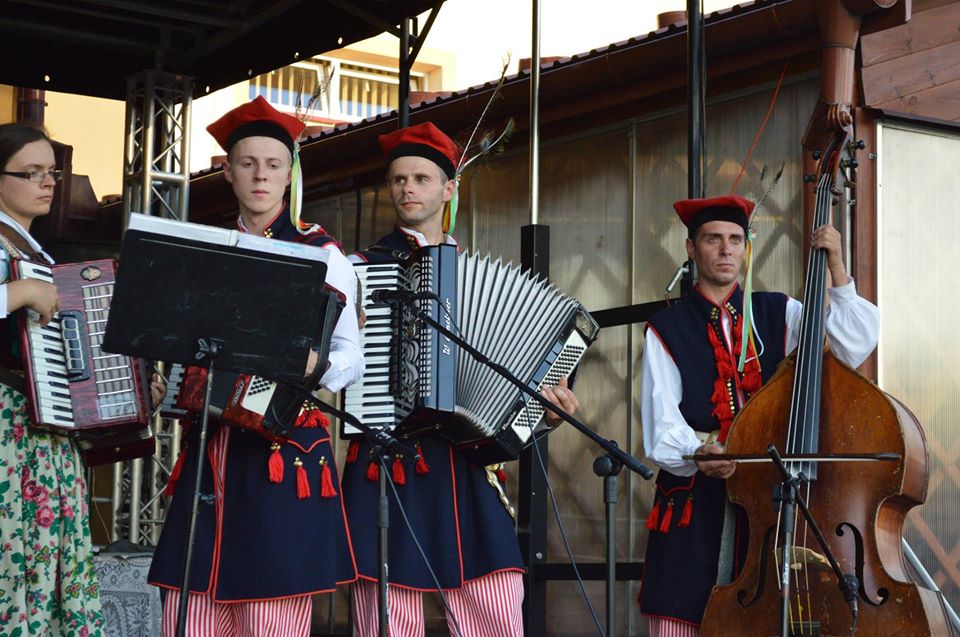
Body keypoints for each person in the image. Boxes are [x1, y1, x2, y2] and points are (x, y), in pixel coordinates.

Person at [342, 121, 580, 637]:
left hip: (467, 467)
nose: (408, 188)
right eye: (399, 179)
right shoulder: (361, 269)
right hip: (391, 461)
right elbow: (336, 371)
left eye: (422, 178)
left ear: (448, 189)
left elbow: (517, 402)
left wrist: (547, 411)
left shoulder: (482, 275)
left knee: (496, 605)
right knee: (389, 617)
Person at [147, 97, 365, 636]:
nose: (260, 175)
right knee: (189, 612)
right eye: (248, 163)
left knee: (270, 614)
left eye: (272, 164)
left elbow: (350, 355)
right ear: (228, 171)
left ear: (290, 172)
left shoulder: (323, 253)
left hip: (281, 450)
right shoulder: (206, 248)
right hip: (209, 451)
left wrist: (313, 366)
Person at [637, 194, 880, 636]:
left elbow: (851, 345)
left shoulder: (780, 311)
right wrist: (698, 450)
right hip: (696, 495)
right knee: (681, 616)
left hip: (768, 500)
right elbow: (661, 427)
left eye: (735, 239)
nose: (726, 249)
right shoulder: (665, 329)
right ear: (691, 248)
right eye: (713, 239)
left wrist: (837, 268)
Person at [0, 122, 110, 635]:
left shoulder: (36, 254)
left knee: (42, 566)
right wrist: (19, 294)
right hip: (7, 432)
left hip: (40, 435)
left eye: (52, 171)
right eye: (31, 172)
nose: (48, 182)